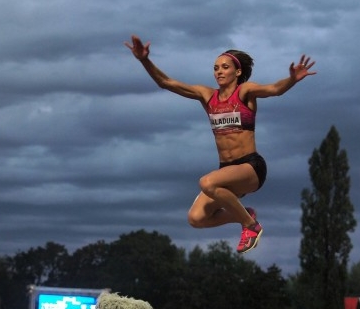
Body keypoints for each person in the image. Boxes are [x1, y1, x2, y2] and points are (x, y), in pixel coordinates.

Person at [125, 35, 316, 253]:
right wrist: (144, 60)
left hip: (250, 168)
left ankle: (250, 226)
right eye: (216, 68)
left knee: (207, 183)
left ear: (238, 72)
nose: (219, 71)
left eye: (225, 67)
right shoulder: (207, 95)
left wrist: (291, 79)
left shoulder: (245, 91)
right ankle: (245, 215)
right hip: (226, 172)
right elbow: (166, 83)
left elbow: (274, 89)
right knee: (196, 218)